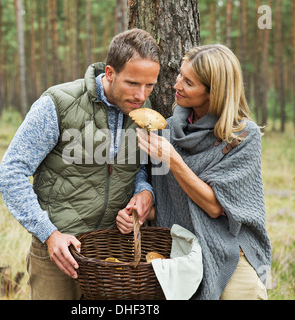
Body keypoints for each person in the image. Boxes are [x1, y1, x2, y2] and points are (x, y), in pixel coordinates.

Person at [0, 28, 160, 300]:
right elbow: (10, 173)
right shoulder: (58, 103)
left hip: (112, 256)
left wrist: (144, 192)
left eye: (149, 85)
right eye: (132, 83)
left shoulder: (145, 112)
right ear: (109, 73)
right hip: (58, 254)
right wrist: (49, 234)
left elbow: (140, 166)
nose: (141, 95)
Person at [116, 44, 271, 300]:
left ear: (214, 93)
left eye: (189, 82)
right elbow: (171, 200)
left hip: (231, 251)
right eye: (180, 75)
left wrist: (173, 160)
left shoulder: (242, 136)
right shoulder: (168, 130)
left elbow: (213, 207)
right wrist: (139, 212)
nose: (176, 85)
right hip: (183, 251)